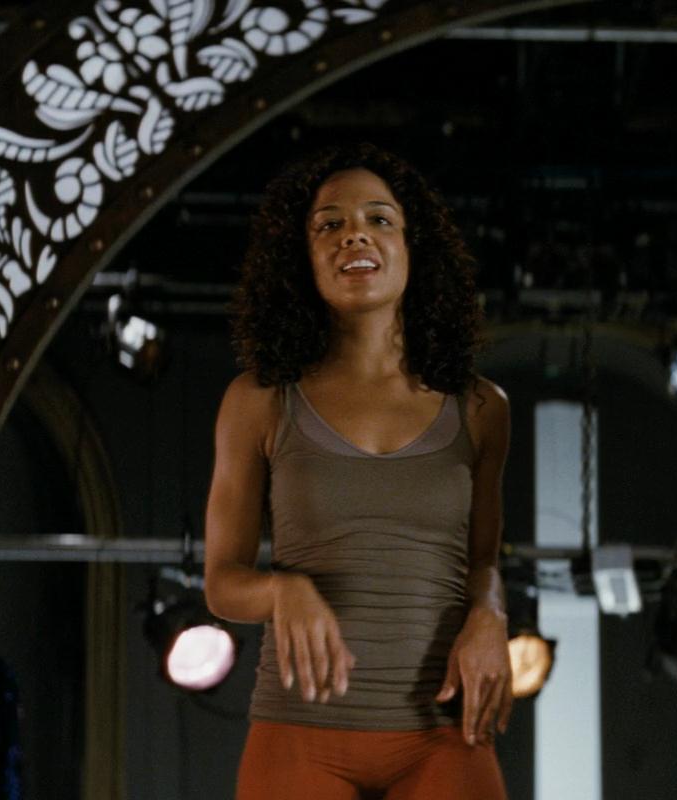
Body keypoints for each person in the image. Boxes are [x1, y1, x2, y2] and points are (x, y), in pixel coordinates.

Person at [203, 143, 512, 800]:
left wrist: (491, 614)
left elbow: (483, 561)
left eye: (379, 219)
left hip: (444, 732)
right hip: (299, 733)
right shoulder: (259, 401)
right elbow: (223, 584)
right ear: (302, 257)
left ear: (412, 247)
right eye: (329, 224)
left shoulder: (482, 409)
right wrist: (283, 592)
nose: (354, 235)